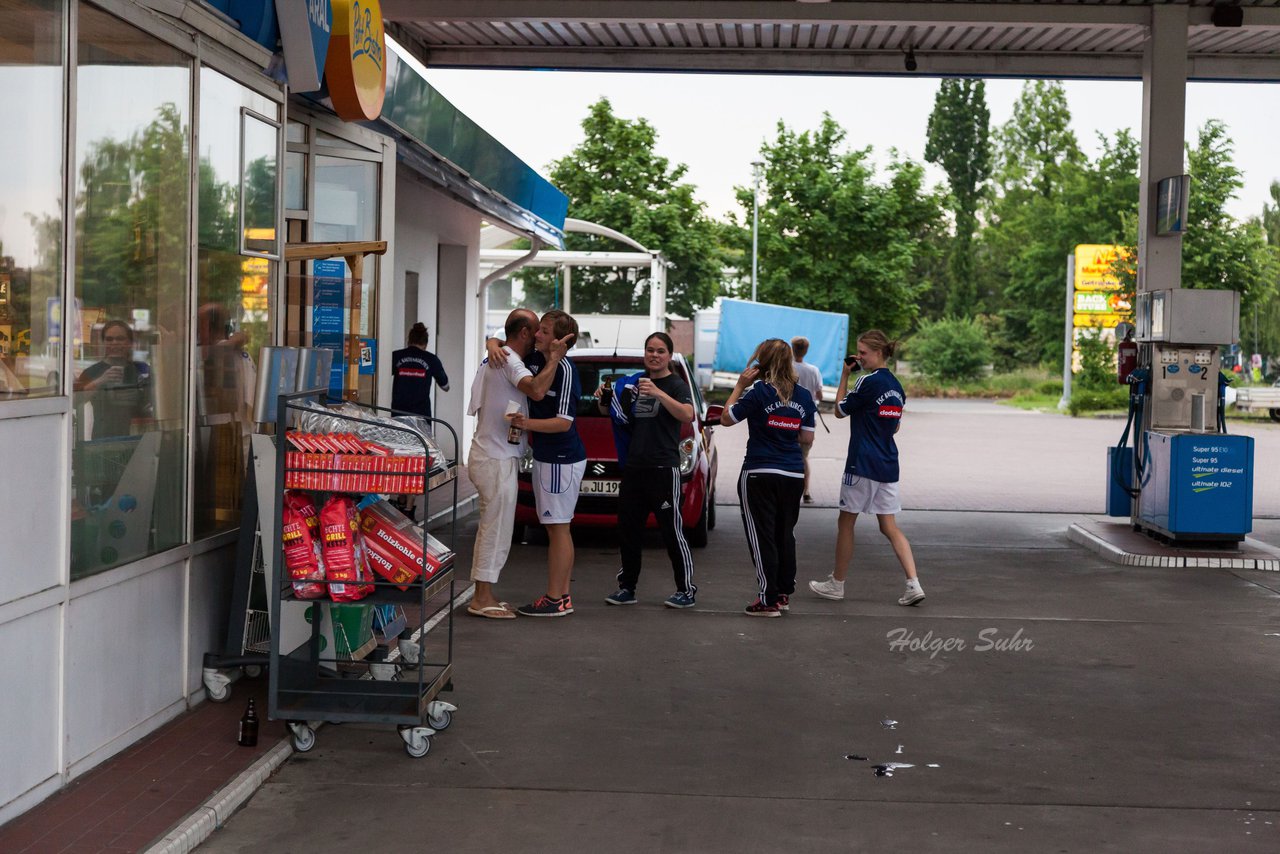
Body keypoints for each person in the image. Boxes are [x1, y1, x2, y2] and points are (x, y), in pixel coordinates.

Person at [809, 330, 924, 606]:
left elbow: (838, 410)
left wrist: (844, 376)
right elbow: (894, 426)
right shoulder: (897, 387)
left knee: (846, 522)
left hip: (861, 464)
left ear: (879, 353)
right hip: (888, 465)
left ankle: (837, 583)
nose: (859, 357)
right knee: (889, 526)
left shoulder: (867, 382)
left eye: (863, 353)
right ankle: (913, 583)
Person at [465, 309, 567, 619]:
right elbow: (536, 390)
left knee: (496, 527)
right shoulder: (509, 359)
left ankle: (486, 593)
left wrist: (492, 341)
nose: (539, 337)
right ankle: (481, 598)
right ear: (523, 333)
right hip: (495, 458)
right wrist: (554, 361)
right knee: (495, 529)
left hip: (492, 455)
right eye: (536, 331)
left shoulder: (498, 354)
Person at [600, 331, 698, 609]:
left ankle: (686, 590)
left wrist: (658, 393)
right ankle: (627, 587)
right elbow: (617, 417)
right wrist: (605, 398)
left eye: (660, 351)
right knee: (628, 530)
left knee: (671, 531)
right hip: (635, 468)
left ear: (668, 355)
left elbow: (687, 414)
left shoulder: (675, 384)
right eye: (650, 350)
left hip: (663, 468)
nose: (654, 355)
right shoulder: (634, 385)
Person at [720, 339, 816, 617]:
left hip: (759, 471)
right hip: (793, 473)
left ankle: (767, 598)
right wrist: (786, 428)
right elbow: (807, 437)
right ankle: (783, 592)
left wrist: (739, 386)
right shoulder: (804, 396)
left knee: (762, 535)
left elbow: (726, 418)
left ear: (761, 362)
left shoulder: (757, 393)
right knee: (784, 533)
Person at [508, 310, 586, 618]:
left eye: (543, 330)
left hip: (561, 458)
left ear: (559, 341)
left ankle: (555, 598)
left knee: (557, 527)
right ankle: (562, 596)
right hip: (548, 457)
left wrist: (525, 425)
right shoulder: (536, 362)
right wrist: (491, 343)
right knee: (557, 527)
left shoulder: (565, 370)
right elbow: (506, 345)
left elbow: (563, 423)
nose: (536, 334)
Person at [75, 320, 152, 440]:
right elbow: (75, 402)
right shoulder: (91, 373)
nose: (115, 343)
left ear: (130, 343)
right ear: (103, 343)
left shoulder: (142, 370)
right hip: (103, 442)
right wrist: (101, 380)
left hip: (137, 439)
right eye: (109, 339)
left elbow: (156, 401)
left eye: (120, 339)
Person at [791, 336, 825, 504]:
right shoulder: (813, 370)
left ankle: (789, 491)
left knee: (786, 452)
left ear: (792, 348)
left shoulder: (787, 367)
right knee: (804, 456)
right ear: (806, 351)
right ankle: (806, 491)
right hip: (807, 420)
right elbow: (819, 395)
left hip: (788, 415)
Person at [391, 323, 449, 420]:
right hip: (421, 417)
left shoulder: (396, 356)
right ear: (425, 344)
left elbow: (381, 376)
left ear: (409, 341)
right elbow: (445, 386)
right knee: (420, 436)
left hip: (398, 415)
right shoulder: (431, 359)